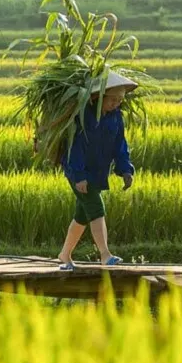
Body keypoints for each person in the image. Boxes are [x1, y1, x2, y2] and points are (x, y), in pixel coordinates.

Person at [56, 71, 137, 269]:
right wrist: (79, 176)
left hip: (99, 172)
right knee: (96, 207)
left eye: (120, 100)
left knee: (82, 216)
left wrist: (125, 169)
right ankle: (105, 254)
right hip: (79, 172)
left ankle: (64, 255)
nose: (116, 104)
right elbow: (74, 147)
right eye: (113, 100)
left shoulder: (116, 117)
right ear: (99, 97)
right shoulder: (83, 116)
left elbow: (120, 145)